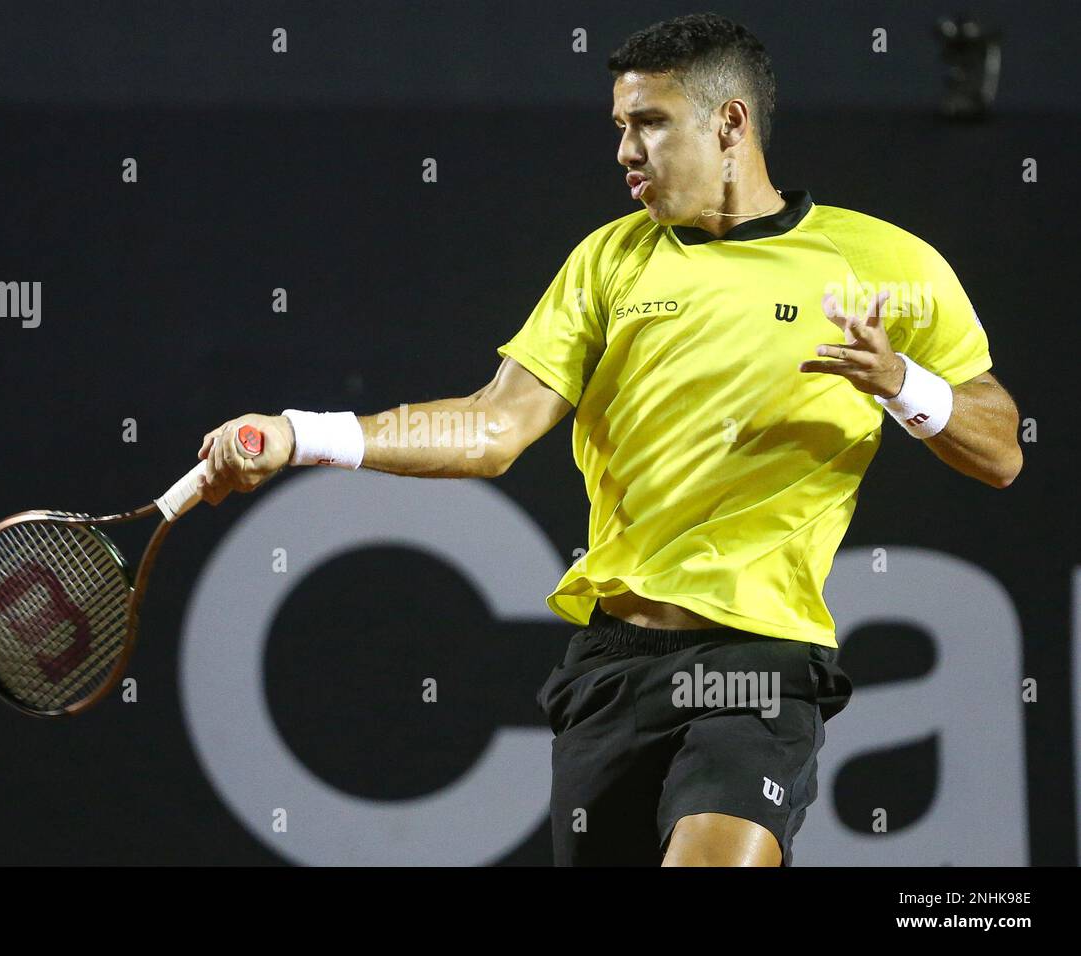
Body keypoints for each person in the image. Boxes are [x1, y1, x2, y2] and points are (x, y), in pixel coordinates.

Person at [196, 12, 1023, 866]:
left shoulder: (885, 263)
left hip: (758, 659)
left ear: (729, 123)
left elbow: (1001, 451)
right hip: (614, 663)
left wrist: (903, 386)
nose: (626, 151)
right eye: (620, 127)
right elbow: (492, 427)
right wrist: (301, 434)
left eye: (651, 124)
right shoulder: (608, 261)